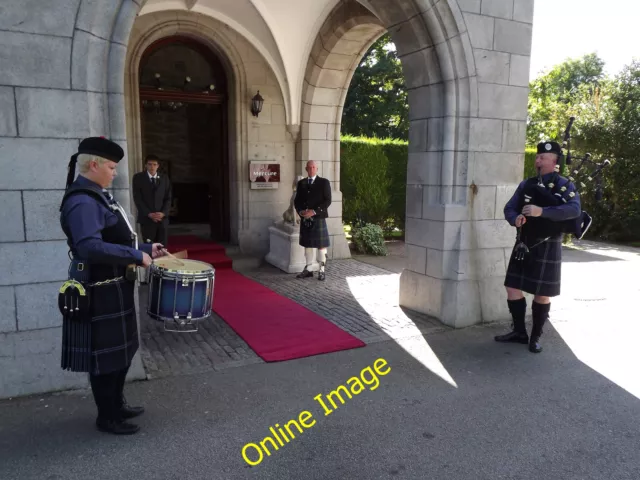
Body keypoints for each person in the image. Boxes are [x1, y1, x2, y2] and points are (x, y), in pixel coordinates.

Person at [59, 137, 167, 435]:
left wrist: (146, 247)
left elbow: (116, 239)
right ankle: (106, 416)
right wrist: (135, 255)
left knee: (121, 351)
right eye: (111, 166)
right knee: (105, 357)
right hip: (98, 289)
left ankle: (116, 405)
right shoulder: (82, 200)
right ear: (93, 165)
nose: (115, 172)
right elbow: (90, 246)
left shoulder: (98, 195)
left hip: (114, 285)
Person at [495, 141, 582, 353]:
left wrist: (541, 211)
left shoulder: (565, 185)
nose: (538, 160)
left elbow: (573, 210)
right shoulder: (527, 184)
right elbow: (509, 207)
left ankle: (535, 337)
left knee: (542, 293)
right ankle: (519, 332)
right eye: (538, 156)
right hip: (524, 242)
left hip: (549, 243)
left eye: (543, 157)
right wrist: (515, 218)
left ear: (554, 161)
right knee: (512, 286)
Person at [294, 161, 332, 281]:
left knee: (321, 246)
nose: (311, 169)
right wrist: (301, 212)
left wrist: (314, 211)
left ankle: (321, 270)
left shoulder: (324, 182)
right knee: (307, 245)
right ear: (306, 169)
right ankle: (309, 269)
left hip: (318, 218)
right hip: (306, 219)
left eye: (313, 167)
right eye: (309, 168)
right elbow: (297, 201)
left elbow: (328, 201)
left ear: (317, 169)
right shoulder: (301, 183)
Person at [132, 154, 172, 245]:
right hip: (147, 219)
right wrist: (149, 214)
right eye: (149, 164)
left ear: (158, 166)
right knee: (149, 247)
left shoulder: (164, 178)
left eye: (154, 164)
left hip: (162, 219)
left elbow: (168, 198)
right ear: (145, 165)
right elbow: (137, 198)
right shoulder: (138, 178)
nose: (152, 167)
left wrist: (163, 213)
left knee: (162, 248)